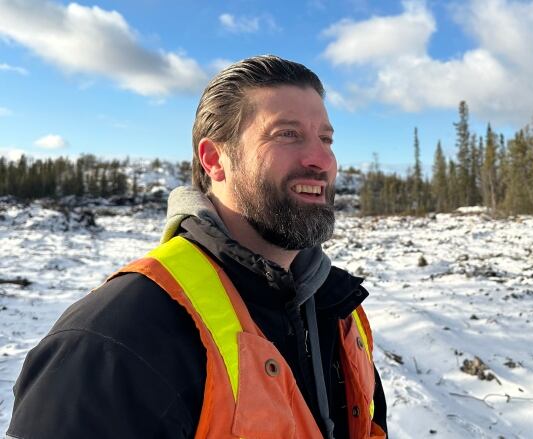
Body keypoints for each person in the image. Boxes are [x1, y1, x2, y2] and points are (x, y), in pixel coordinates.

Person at [7, 55, 387, 439]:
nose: (321, 159)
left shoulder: (339, 310)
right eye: (286, 134)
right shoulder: (116, 338)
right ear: (214, 159)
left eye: (326, 138)